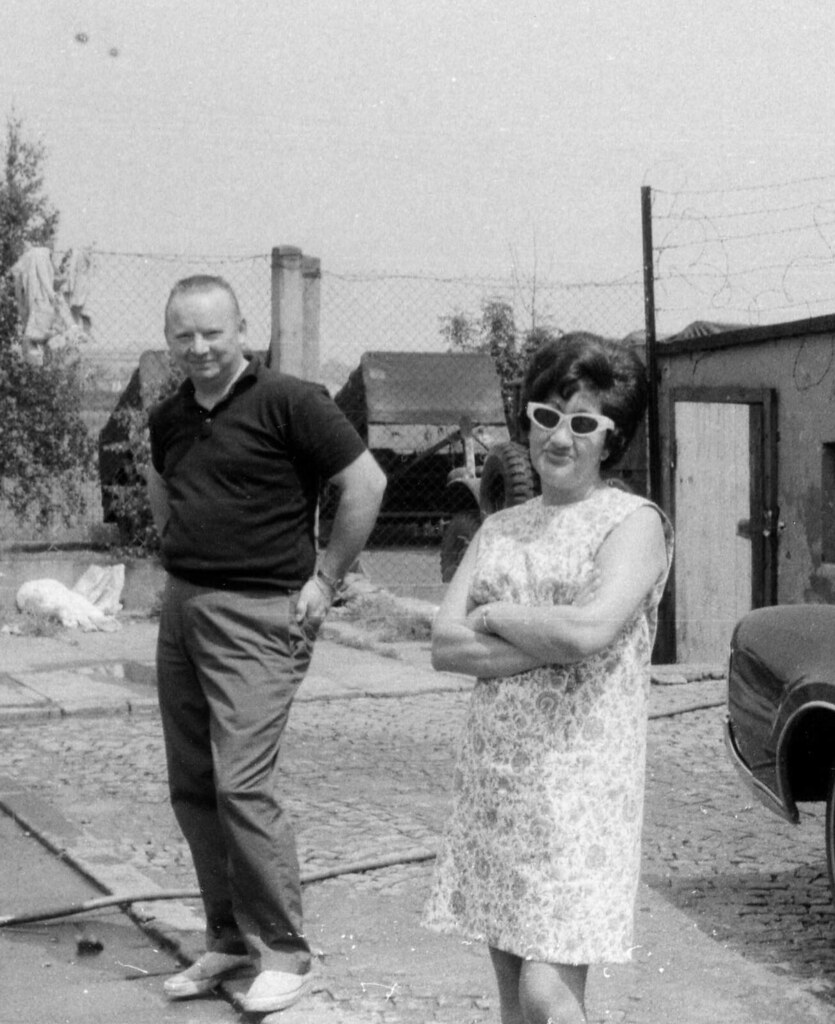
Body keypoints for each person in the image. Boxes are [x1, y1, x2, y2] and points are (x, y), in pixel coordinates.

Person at [147, 274, 386, 1014]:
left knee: (241, 784)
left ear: (242, 328)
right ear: (168, 339)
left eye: (213, 332)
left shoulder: (290, 402)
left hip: (262, 613)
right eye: (184, 334)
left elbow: (365, 484)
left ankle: (285, 951)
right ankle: (225, 938)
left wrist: (325, 580)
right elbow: (163, 489)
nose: (200, 347)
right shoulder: (169, 416)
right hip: (183, 608)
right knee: (193, 785)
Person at [423, 332, 673, 1024]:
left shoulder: (631, 523)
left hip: (577, 794)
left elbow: (590, 631)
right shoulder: (499, 526)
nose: (559, 439)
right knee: (512, 989)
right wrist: (553, 636)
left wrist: (499, 613)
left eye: (582, 423)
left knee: (548, 995)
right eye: (545, 417)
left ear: (609, 437)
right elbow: (445, 644)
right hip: (500, 783)